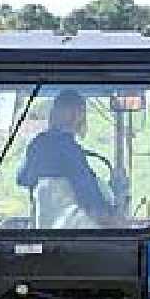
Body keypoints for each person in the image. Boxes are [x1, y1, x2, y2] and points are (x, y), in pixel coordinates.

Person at [17, 89, 113, 224]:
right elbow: (87, 193)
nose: (74, 116)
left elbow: (23, 178)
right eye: (70, 110)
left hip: (44, 227)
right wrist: (111, 218)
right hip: (71, 231)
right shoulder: (68, 148)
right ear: (56, 113)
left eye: (78, 111)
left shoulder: (37, 143)